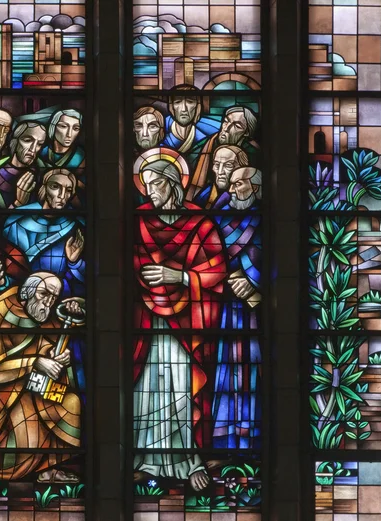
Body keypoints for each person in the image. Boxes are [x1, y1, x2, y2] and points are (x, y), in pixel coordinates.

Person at [133, 153, 227, 491]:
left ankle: (186, 461)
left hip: (187, 324)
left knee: (179, 386)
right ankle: (143, 459)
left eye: (155, 184)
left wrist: (180, 276)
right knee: (146, 387)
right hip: (144, 321)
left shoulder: (199, 224)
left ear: (172, 184)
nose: (149, 192)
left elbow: (217, 270)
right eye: (144, 185)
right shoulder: (137, 220)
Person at [0, 272, 85, 482]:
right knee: (29, 425)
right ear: (27, 291)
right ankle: (18, 471)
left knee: (72, 403)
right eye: (44, 294)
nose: (48, 302)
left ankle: (50, 468)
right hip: (3, 398)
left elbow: (45, 345)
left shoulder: (44, 316)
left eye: (53, 298)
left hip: (37, 387)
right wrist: (33, 362)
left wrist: (57, 357)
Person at [211, 167, 262, 449]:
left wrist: (255, 282)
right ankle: (223, 440)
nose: (232, 189)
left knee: (251, 369)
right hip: (224, 310)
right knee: (224, 373)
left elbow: (282, 265)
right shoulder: (219, 218)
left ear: (255, 188)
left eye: (239, 183)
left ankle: (251, 440)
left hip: (255, 314)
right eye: (230, 184)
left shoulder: (264, 220)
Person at [2, 169, 85, 297]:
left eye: (68, 190)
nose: (62, 195)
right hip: (12, 294)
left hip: (52, 298)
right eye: (55, 187)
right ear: (43, 188)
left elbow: (86, 277)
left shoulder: (75, 228)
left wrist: (74, 263)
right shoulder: (18, 220)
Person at [187, 106, 260, 201]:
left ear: (246, 133)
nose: (227, 128)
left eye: (236, 126)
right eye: (226, 121)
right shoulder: (203, 148)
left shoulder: (253, 154)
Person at [161, 85, 220, 169]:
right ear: (171, 106)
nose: (184, 109)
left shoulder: (206, 138)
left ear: (197, 106)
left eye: (190, 102)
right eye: (177, 102)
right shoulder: (160, 133)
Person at [195, 145, 249, 209]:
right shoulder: (207, 192)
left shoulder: (247, 199)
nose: (220, 172)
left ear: (242, 169)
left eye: (228, 165)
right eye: (217, 165)